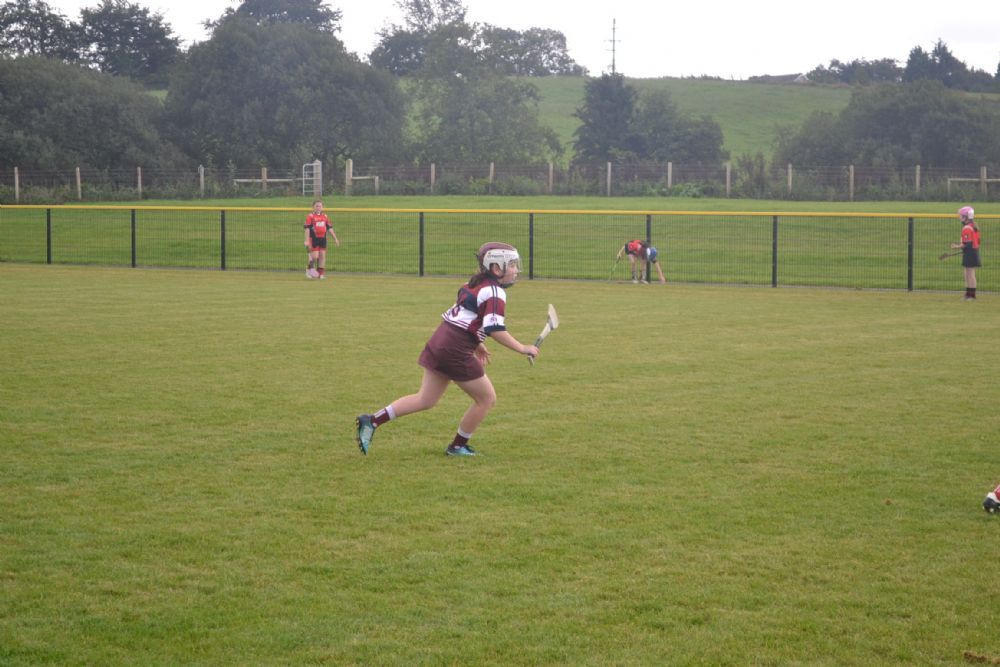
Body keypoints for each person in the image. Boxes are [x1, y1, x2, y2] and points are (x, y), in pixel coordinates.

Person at [355, 242, 540, 457]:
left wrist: (478, 344)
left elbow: (464, 317)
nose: (516, 270)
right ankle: (458, 446)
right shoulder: (495, 292)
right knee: (486, 399)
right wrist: (522, 348)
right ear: (496, 268)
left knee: (425, 399)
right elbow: (495, 329)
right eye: (512, 265)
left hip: (440, 341)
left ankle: (372, 421)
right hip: (455, 350)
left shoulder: (471, 284)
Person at [304, 199, 339, 279]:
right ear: (313, 207)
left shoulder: (325, 216)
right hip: (313, 239)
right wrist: (306, 240)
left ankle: (320, 274)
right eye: (316, 206)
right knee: (315, 257)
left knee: (322, 256)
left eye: (320, 206)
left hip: (323, 238)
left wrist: (335, 239)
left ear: (322, 207)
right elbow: (307, 229)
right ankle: (309, 270)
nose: (318, 208)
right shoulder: (310, 216)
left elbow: (329, 228)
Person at [951, 206, 981, 299]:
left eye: (960, 215)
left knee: (970, 274)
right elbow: (974, 241)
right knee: (967, 273)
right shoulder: (973, 226)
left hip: (970, 253)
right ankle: (968, 294)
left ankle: (972, 295)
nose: (959, 217)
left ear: (966, 217)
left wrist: (956, 246)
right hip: (972, 252)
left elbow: (967, 244)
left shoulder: (967, 228)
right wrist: (963, 247)